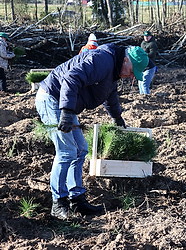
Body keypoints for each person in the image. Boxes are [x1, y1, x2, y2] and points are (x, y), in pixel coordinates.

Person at [35, 43, 149, 220]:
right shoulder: (102, 60)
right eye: (133, 71)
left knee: (81, 149)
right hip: (53, 98)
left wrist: (117, 117)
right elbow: (71, 78)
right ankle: (59, 203)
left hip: (66, 104)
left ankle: (77, 199)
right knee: (66, 152)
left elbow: (109, 95)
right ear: (126, 60)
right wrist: (66, 111)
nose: (131, 76)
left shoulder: (114, 69)